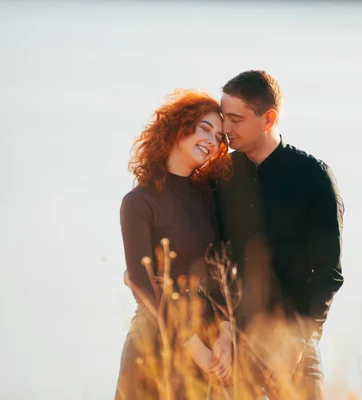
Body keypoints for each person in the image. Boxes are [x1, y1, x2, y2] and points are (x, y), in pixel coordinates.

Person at [214, 70, 345, 399]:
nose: (225, 129)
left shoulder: (314, 177)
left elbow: (328, 272)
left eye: (235, 119)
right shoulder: (220, 176)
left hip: (292, 340)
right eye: (223, 117)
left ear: (268, 118)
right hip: (230, 341)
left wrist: (297, 340)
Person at [115, 89, 234, 400]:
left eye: (219, 136)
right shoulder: (138, 202)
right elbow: (142, 286)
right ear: (178, 129)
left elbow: (218, 266)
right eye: (204, 128)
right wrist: (194, 348)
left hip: (208, 337)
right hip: (156, 339)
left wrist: (224, 331)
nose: (212, 140)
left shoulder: (209, 194)